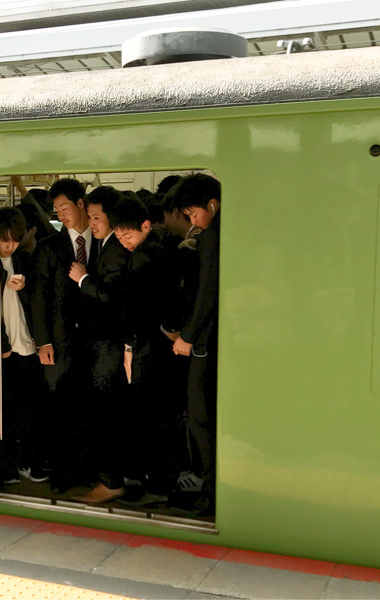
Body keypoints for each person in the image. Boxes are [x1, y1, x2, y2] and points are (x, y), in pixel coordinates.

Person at [109, 193, 181, 505]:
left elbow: (134, 309)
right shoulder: (165, 249)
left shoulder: (141, 258)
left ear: (146, 225)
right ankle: (166, 483)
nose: (124, 241)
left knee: (145, 416)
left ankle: (154, 486)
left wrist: (128, 347)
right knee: (161, 416)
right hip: (162, 346)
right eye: (119, 236)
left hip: (146, 347)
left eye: (127, 235)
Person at [31, 178, 99, 492]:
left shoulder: (103, 240)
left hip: (97, 340)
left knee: (90, 405)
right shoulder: (48, 246)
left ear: (81, 204)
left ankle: (88, 470)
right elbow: (38, 296)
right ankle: (61, 473)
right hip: (58, 341)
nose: (61, 214)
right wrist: (43, 340)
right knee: (58, 405)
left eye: (65, 208)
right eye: (57, 210)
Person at [66, 186, 131, 503]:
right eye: (89, 217)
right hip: (99, 345)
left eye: (95, 217)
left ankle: (111, 480)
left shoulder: (117, 251)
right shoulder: (103, 245)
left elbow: (111, 298)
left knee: (108, 413)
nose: (91, 223)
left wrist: (82, 280)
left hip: (110, 346)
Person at [171, 173, 220, 516]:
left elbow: (207, 294)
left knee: (200, 418)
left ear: (212, 205)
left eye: (193, 213)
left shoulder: (211, 239)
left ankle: (210, 490)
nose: (192, 221)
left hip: (204, 342)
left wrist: (187, 335)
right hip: (213, 339)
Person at [0, 207, 48, 485]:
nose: (9, 245)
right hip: (4, 352)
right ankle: (8, 465)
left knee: (30, 409)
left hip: (28, 347)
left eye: (14, 239)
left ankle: (28, 462)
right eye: (4, 239)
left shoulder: (24, 261)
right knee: (7, 413)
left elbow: (38, 302)